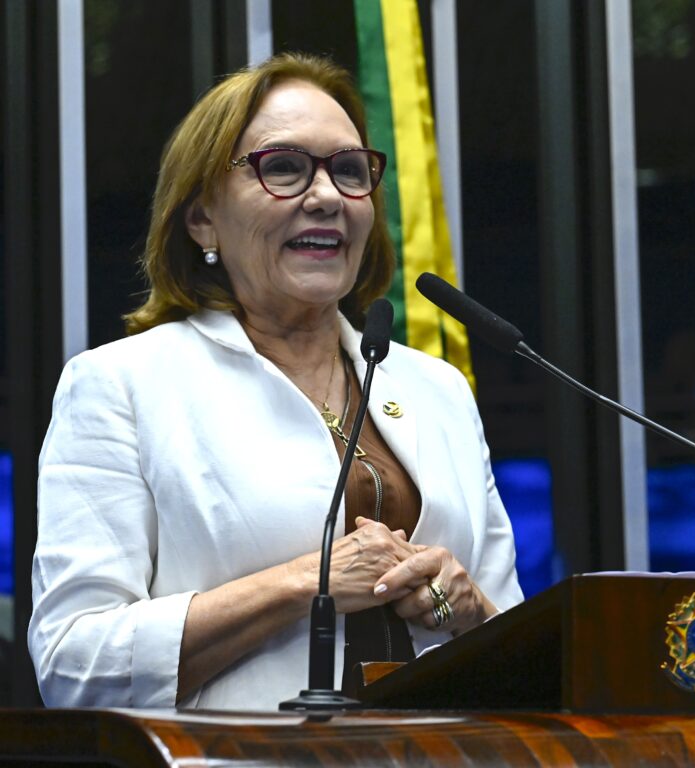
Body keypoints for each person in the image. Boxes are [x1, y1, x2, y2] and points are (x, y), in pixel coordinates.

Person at [28, 52, 523, 710]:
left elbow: (522, 653)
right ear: (202, 217)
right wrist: (305, 583)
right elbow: (73, 665)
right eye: (284, 167)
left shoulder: (438, 390)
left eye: (350, 171)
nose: (327, 196)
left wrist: (471, 608)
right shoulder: (121, 386)